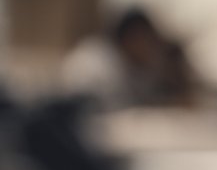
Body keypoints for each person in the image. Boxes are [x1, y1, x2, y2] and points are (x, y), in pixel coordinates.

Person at [61, 7, 196, 108]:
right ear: (129, 37)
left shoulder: (134, 65)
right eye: (144, 40)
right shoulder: (94, 63)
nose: (148, 49)